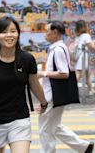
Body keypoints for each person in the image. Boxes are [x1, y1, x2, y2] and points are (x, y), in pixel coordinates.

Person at [0, 16, 48, 153]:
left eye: (13, 31)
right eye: (4, 32)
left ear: (18, 34)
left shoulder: (26, 59)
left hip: (19, 120)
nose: (9, 35)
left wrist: (43, 103)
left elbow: (34, 84)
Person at [38, 21, 94, 153]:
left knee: (45, 130)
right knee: (54, 126)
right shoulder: (57, 48)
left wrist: (43, 73)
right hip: (53, 94)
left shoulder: (58, 50)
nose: (45, 34)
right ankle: (83, 147)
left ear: (55, 32)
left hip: (53, 95)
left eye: (47, 31)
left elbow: (64, 73)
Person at [73, 20, 95, 95]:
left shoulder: (78, 36)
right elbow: (92, 47)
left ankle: (91, 89)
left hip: (79, 56)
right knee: (78, 73)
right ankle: (69, 89)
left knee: (87, 74)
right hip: (83, 56)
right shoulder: (86, 35)